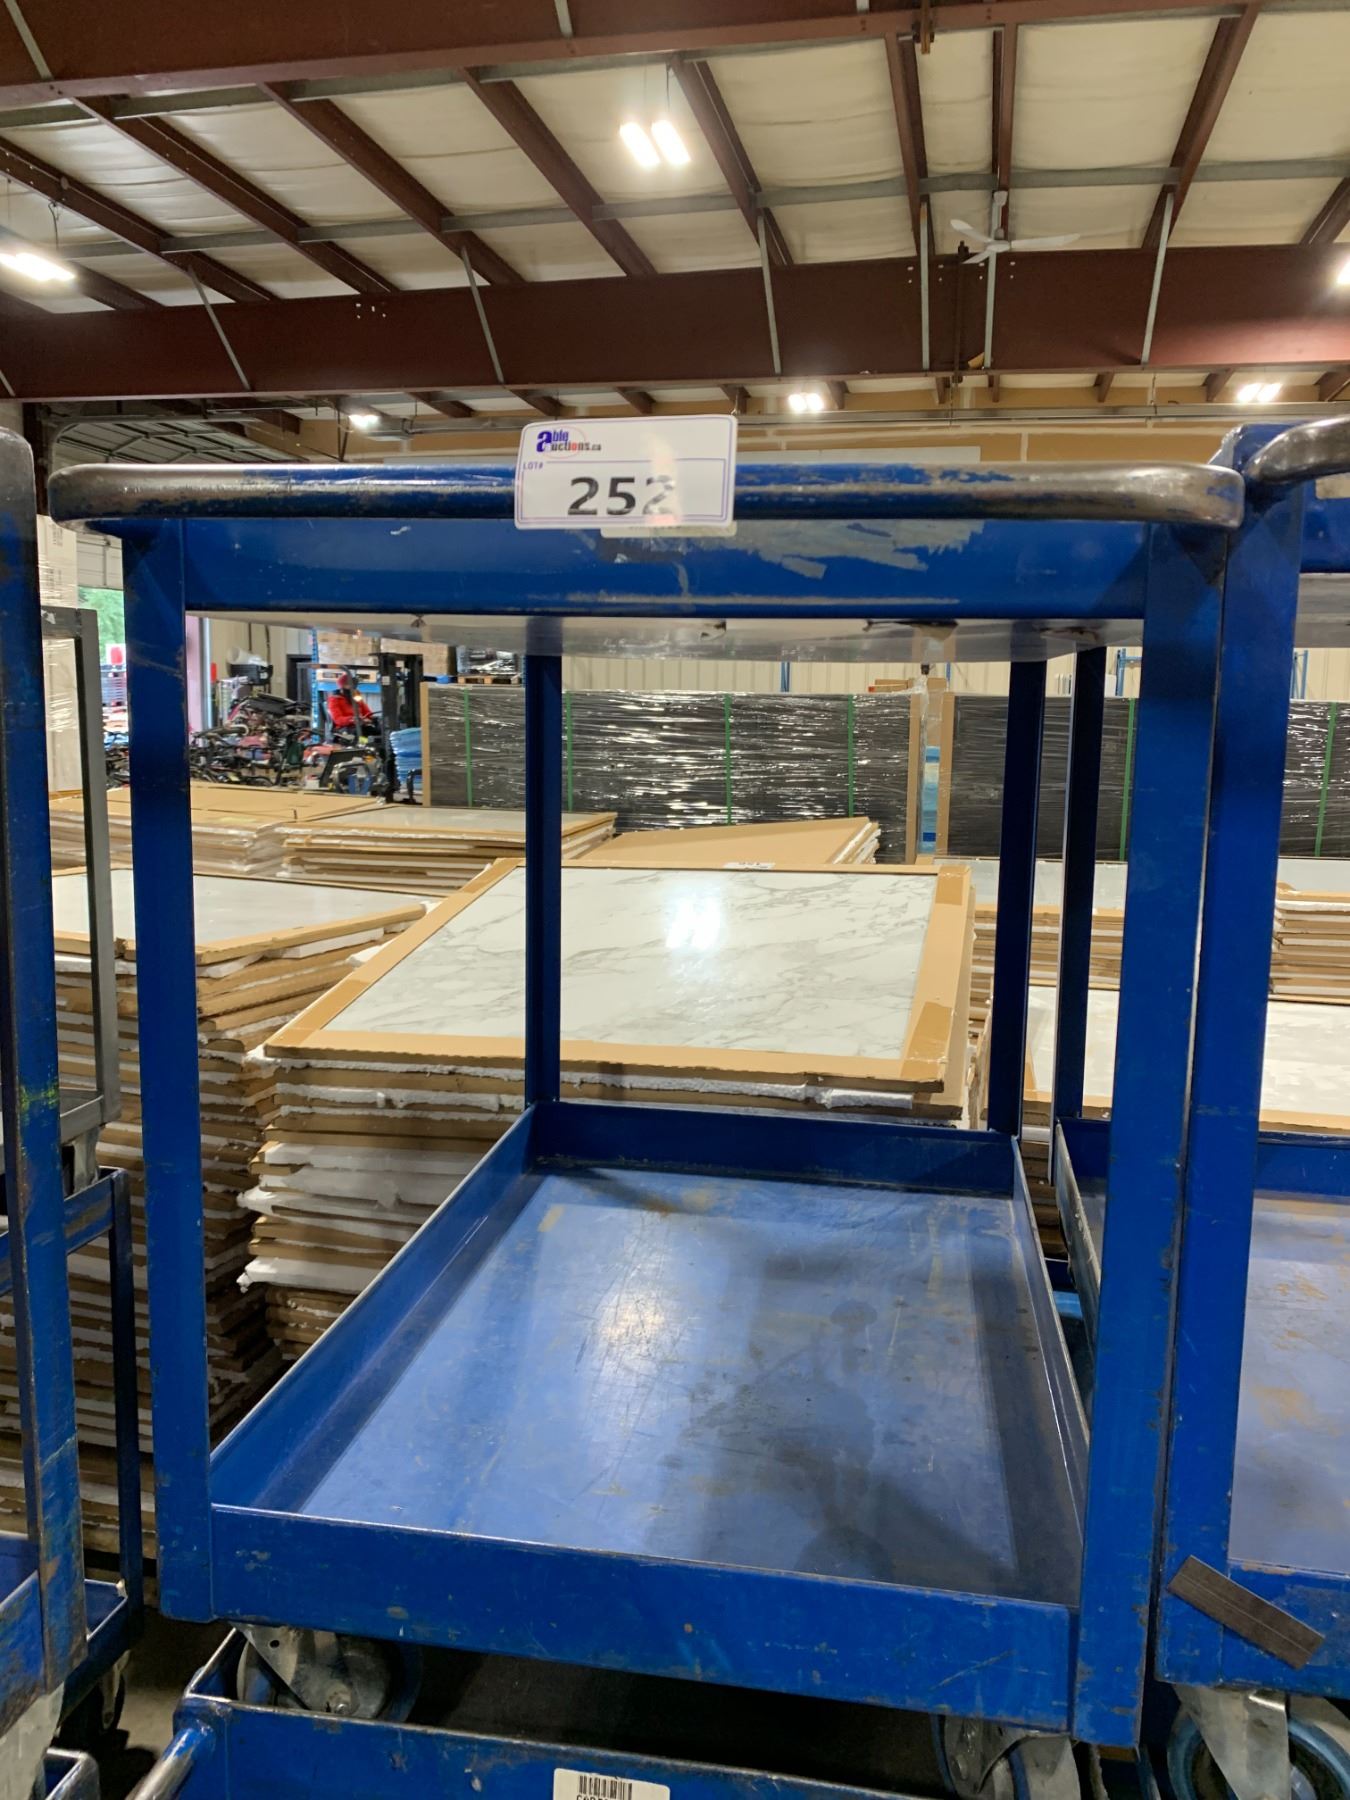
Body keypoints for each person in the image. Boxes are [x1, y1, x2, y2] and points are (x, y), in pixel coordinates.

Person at [326, 670, 375, 734]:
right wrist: (353, 719)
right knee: (362, 733)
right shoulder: (334, 700)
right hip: (344, 728)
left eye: (352, 685)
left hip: (360, 725)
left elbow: (367, 712)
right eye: (348, 684)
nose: (352, 687)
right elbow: (338, 719)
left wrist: (370, 718)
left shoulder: (356, 696)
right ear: (342, 686)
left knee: (378, 730)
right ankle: (364, 740)